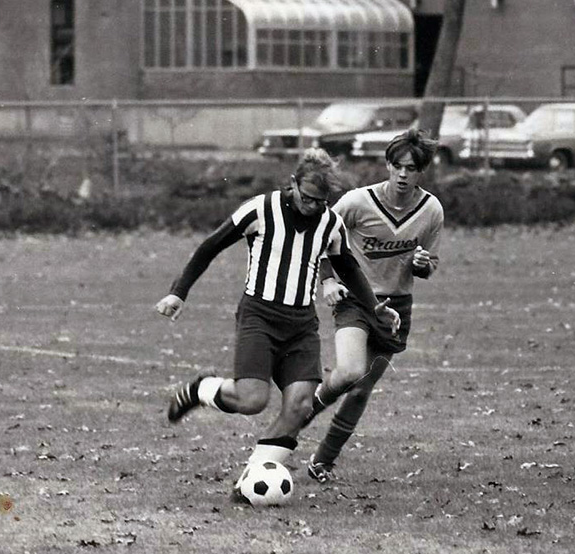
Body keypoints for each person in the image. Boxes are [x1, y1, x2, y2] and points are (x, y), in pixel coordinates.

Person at [155, 148, 400, 499]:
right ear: (292, 184)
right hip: (260, 315)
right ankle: (200, 390)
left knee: (300, 406)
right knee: (251, 399)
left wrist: (374, 308)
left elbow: (347, 266)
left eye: (321, 201)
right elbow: (210, 246)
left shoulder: (330, 223)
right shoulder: (260, 208)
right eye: (308, 198)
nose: (313, 206)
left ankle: (249, 482)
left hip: (301, 324)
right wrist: (179, 292)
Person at [302, 128, 444, 483]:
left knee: (362, 388)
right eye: (396, 166)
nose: (402, 174)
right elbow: (320, 238)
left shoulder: (431, 210)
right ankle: (296, 419)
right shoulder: (356, 202)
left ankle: (322, 461)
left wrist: (423, 265)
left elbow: (428, 265)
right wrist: (329, 279)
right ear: (387, 165)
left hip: (397, 307)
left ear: (421, 171)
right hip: (354, 301)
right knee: (349, 372)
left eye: (411, 168)